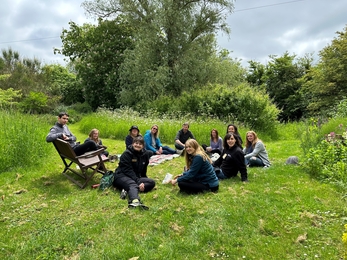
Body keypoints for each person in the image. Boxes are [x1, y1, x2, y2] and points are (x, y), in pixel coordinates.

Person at [112, 136, 155, 209]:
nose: (138, 145)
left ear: (143, 146)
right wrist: (138, 182)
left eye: (140, 144)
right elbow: (128, 170)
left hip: (134, 177)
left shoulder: (145, 154)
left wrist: (143, 180)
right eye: (136, 143)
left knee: (151, 182)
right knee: (133, 184)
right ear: (132, 144)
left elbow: (144, 169)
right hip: (121, 175)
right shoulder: (127, 154)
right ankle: (134, 201)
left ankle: (126, 190)